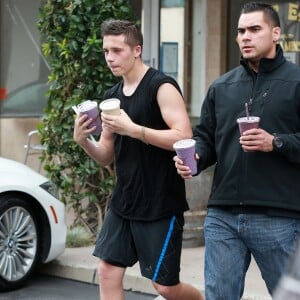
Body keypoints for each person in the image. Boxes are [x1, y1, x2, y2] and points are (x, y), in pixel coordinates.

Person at [174, 2, 300, 300]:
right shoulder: (222, 86)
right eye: (241, 30)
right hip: (223, 215)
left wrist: (276, 142)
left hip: (278, 216)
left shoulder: (296, 82)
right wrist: (195, 159)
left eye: (255, 29)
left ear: (276, 33)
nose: (245, 36)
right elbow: (206, 138)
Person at [73, 19, 204, 300]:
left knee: (165, 287)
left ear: (137, 50)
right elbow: (106, 153)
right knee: (107, 269)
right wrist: (84, 140)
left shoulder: (161, 86)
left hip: (160, 201)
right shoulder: (111, 97)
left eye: (117, 50)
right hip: (124, 201)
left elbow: (184, 135)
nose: (110, 57)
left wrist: (134, 130)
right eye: (106, 51)